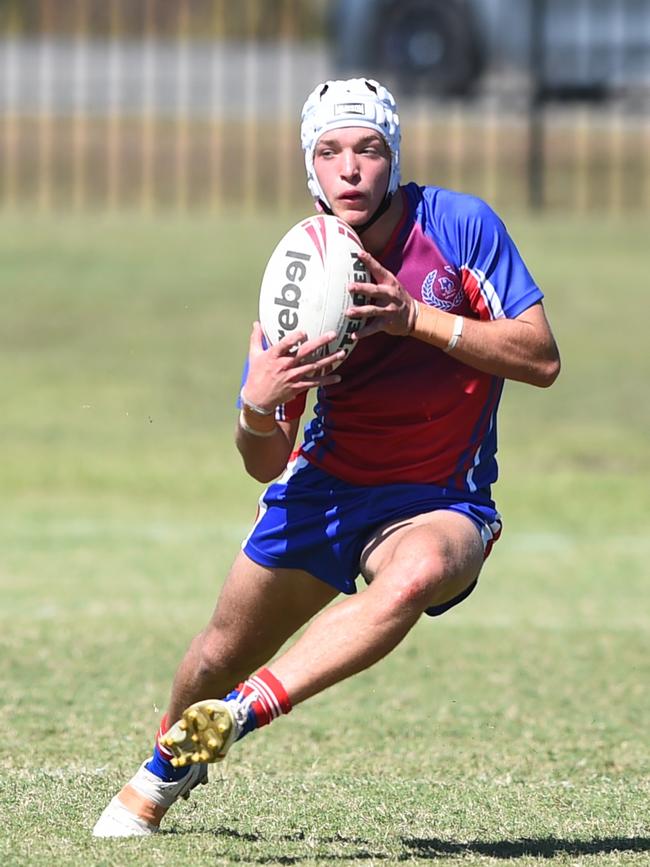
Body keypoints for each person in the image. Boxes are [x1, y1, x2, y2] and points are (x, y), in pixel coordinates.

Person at [93, 78, 560, 837]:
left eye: (369, 149)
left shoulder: (458, 227)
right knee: (213, 655)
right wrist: (255, 404)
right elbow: (264, 456)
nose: (351, 168)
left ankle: (242, 712)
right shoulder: (303, 269)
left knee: (415, 574)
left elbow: (540, 357)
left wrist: (416, 319)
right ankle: (164, 766)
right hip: (326, 490)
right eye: (330, 151)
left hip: (440, 499)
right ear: (309, 167)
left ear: (393, 159)